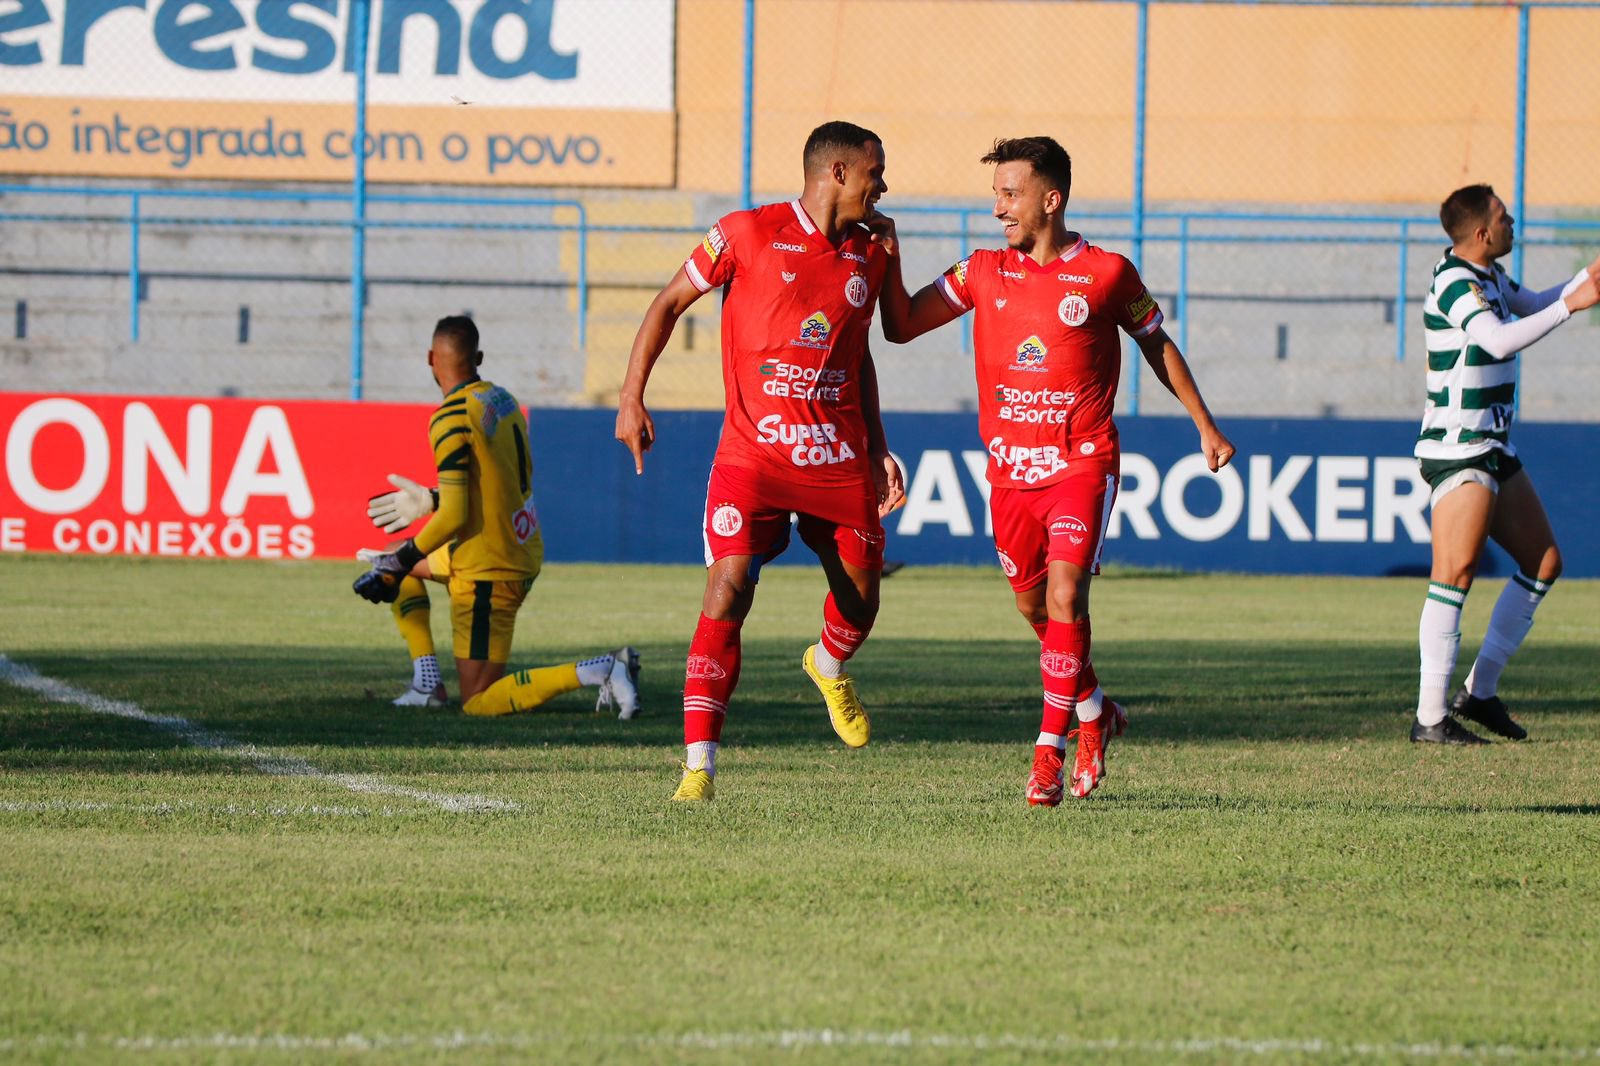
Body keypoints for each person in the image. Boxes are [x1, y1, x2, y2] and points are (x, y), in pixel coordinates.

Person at [873, 136, 1233, 806]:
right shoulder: (981, 271)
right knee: (1035, 607)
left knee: (1067, 597)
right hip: (1009, 474)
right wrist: (889, 252)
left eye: (1009, 195)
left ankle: (1050, 751)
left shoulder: (1106, 275)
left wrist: (1204, 425)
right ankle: (1095, 712)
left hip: (1081, 461)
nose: (998, 209)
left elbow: (1157, 343)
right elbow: (899, 326)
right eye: (995, 196)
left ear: (1051, 198)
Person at [615, 120, 906, 802]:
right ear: (836, 172)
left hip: (835, 457)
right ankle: (699, 767)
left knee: (860, 604)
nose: (884, 186)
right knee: (728, 587)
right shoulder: (745, 233)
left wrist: (877, 445)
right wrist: (632, 397)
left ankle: (828, 664)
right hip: (754, 455)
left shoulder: (873, 251)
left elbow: (859, 352)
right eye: (875, 173)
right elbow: (667, 304)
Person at [354, 315, 640, 719]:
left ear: (430, 358)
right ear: (479, 357)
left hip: (488, 569)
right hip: (514, 547)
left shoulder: (449, 417)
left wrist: (398, 563)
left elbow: (455, 516)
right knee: (392, 554)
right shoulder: (501, 400)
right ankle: (427, 682)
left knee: (479, 702)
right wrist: (433, 502)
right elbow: (498, 483)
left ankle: (602, 670)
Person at [1408, 185, 1600, 744]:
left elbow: (1532, 302)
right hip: (1458, 445)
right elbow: (1493, 341)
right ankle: (1428, 719)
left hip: (1492, 444)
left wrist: (1582, 281)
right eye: (1503, 215)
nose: (1512, 221)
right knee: (1456, 573)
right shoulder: (1455, 282)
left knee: (1543, 563)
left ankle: (1478, 693)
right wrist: (1573, 306)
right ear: (1483, 234)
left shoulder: (1490, 275)